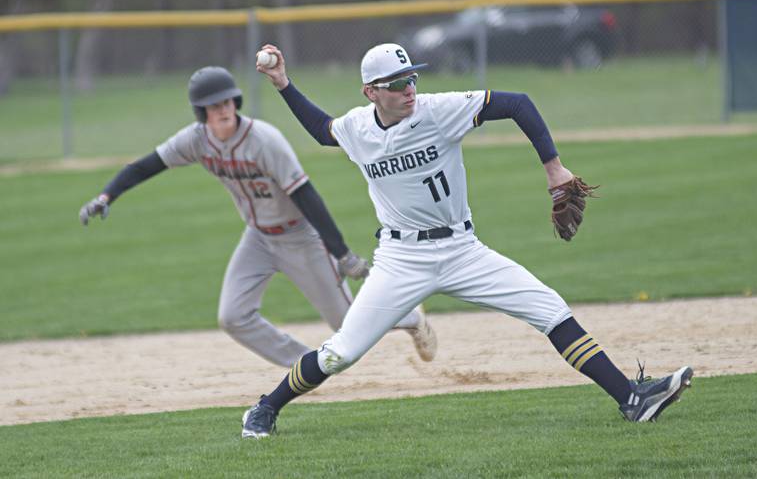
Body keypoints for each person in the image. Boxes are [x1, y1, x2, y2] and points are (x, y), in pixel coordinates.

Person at [241, 43, 692, 439]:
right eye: (396, 83)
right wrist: (283, 83)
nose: (409, 88)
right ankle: (265, 407)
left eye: (411, 77)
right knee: (341, 353)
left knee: (549, 308)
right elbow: (323, 130)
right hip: (401, 258)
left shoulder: (439, 109)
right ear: (371, 92)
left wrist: (554, 168)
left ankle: (632, 400)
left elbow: (518, 103)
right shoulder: (359, 128)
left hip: (462, 250)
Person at [78, 66, 437, 369]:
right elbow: (146, 165)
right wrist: (107, 194)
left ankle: (409, 317)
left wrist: (340, 253)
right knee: (232, 317)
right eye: (213, 106)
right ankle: (306, 366)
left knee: (348, 325)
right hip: (258, 239)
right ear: (201, 112)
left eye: (227, 102)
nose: (223, 110)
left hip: (301, 237)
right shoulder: (196, 140)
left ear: (236, 102)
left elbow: (306, 196)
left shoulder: (264, 140)